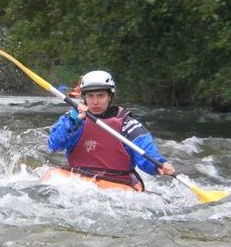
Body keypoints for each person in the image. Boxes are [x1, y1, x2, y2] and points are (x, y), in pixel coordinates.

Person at [47, 70, 175, 191]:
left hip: (117, 183)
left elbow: (146, 153)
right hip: (79, 180)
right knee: (50, 175)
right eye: (90, 96)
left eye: (101, 96)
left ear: (110, 96)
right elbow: (54, 145)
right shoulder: (73, 119)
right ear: (84, 97)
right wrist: (74, 121)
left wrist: (158, 165)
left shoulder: (128, 125)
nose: (95, 102)